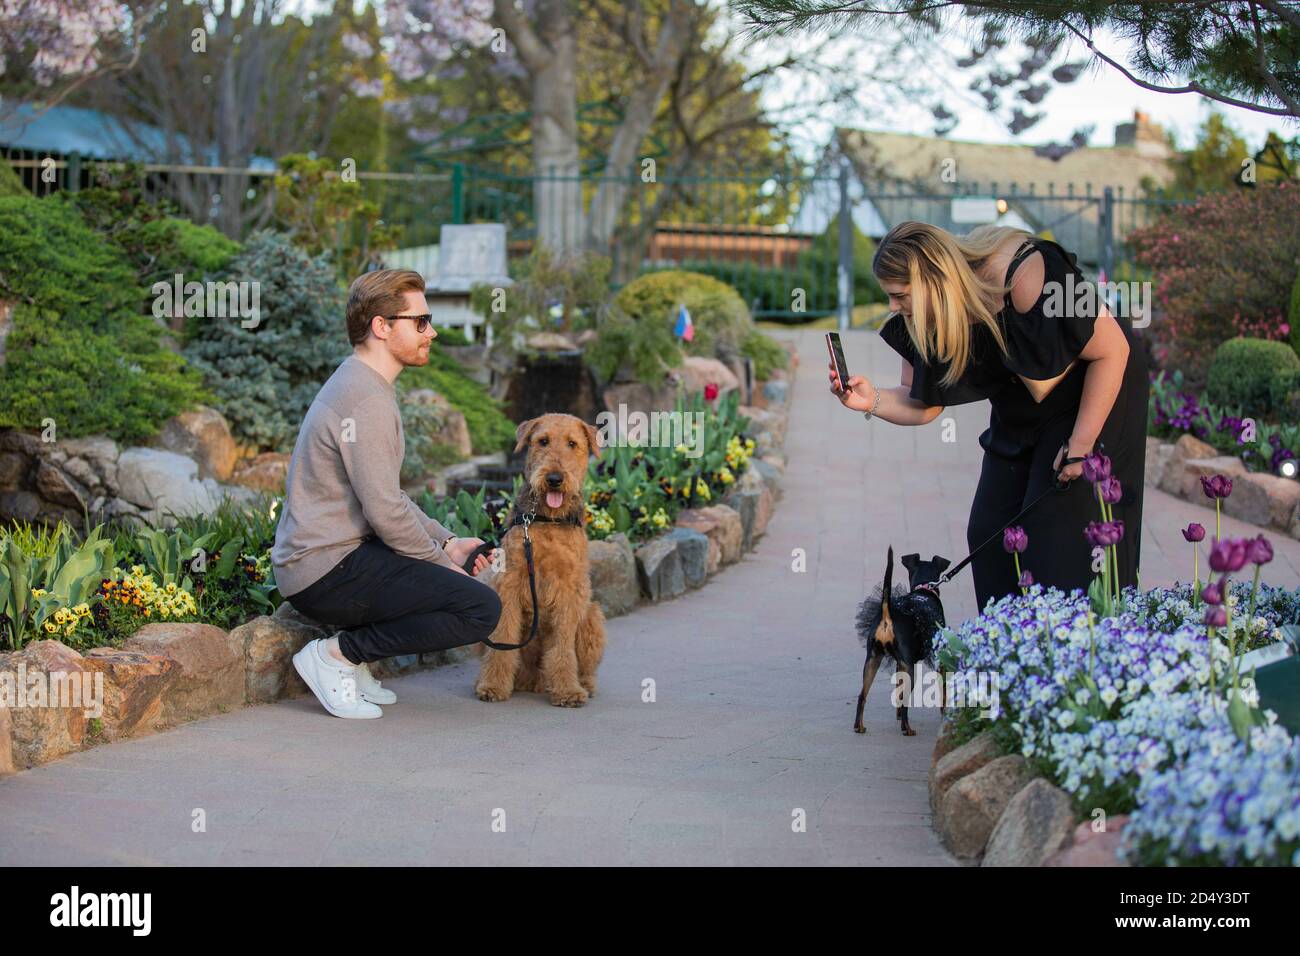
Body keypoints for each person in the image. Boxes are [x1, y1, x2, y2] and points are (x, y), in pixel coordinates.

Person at [829, 221, 1147, 610]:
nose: (893, 307)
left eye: (899, 295)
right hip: (1022, 406)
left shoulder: (1026, 273)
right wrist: (870, 400)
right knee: (989, 531)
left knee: (1053, 534)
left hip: (1094, 395)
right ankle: (1002, 652)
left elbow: (1113, 350)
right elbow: (921, 403)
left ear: (933, 278)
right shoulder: (925, 316)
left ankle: (1072, 651)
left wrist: (1080, 448)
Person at [271, 269, 502, 718]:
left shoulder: (362, 383)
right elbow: (384, 512)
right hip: (323, 571)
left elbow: (387, 495)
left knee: (448, 580)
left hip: (335, 558)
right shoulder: (367, 401)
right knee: (479, 607)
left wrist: (447, 543)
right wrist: (443, 567)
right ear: (382, 326)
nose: (431, 332)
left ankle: (351, 662)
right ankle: (336, 656)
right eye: (420, 321)